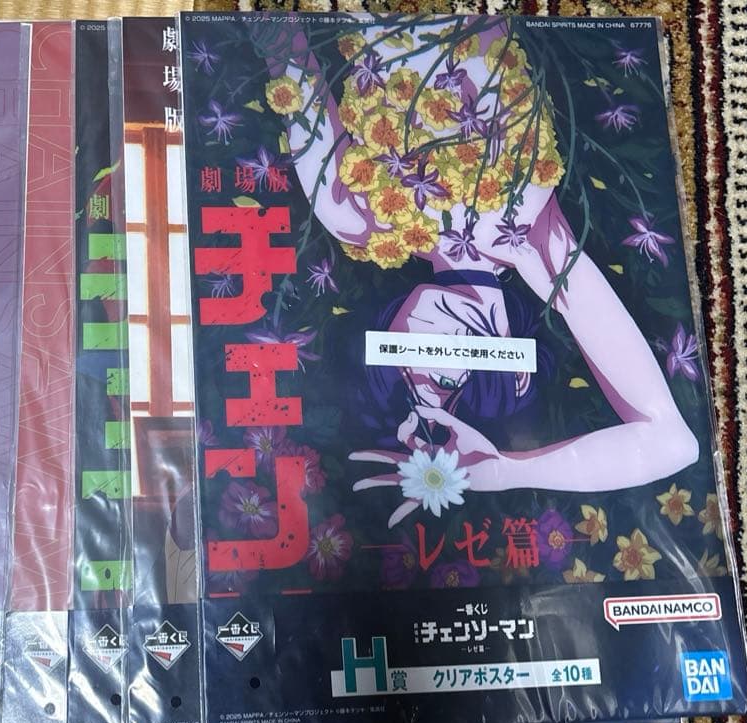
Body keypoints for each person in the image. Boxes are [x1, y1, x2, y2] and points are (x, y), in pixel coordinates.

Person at [258, 17, 698, 526]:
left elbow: (280, 36)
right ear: (513, 371)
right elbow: (670, 442)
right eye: (444, 383)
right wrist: (505, 470)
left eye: (401, 365)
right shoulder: (537, 244)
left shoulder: (354, 215)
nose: (422, 357)